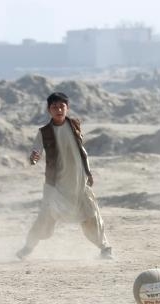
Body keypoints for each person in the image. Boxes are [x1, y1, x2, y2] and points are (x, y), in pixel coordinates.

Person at [16, 92, 114, 261]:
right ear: (49, 110)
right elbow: (36, 149)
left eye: (62, 106)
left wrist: (88, 172)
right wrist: (34, 157)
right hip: (56, 185)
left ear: (67, 108)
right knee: (45, 218)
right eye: (54, 107)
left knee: (91, 215)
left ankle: (105, 248)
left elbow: (81, 152)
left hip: (79, 183)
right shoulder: (45, 132)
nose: (59, 109)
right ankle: (28, 247)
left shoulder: (75, 124)